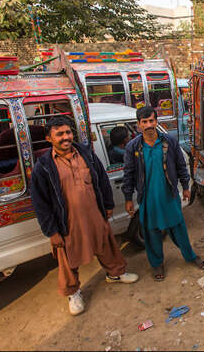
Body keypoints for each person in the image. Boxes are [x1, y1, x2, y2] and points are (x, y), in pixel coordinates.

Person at [30, 116, 138, 316]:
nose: (65, 137)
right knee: (68, 258)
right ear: (49, 138)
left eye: (68, 132)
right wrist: (51, 231)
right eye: (59, 134)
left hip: (94, 213)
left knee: (106, 244)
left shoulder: (86, 153)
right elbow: (40, 202)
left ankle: (115, 274)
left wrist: (107, 204)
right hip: (67, 221)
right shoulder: (43, 166)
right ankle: (73, 292)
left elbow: (102, 179)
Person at [122, 106, 204, 282]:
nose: (148, 125)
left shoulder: (170, 142)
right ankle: (157, 264)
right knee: (151, 232)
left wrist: (185, 186)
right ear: (138, 125)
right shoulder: (133, 147)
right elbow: (129, 174)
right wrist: (128, 198)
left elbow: (181, 165)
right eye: (144, 122)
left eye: (151, 121)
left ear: (156, 121)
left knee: (179, 229)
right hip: (147, 198)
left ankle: (190, 256)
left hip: (169, 195)